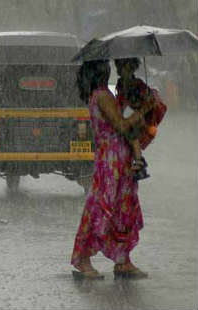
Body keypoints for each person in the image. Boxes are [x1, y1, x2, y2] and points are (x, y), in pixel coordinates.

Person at [71, 60, 155, 279]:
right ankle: (82, 257)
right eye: (106, 66)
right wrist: (144, 110)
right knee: (102, 206)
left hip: (119, 160)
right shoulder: (102, 96)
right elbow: (122, 125)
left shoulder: (102, 94)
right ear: (101, 71)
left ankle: (122, 260)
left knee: (123, 209)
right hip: (111, 161)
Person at [114, 58, 167, 181]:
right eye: (119, 67)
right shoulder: (120, 84)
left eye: (124, 67)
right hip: (126, 117)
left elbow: (147, 101)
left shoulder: (137, 84)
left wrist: (138, 110)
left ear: (131, 68)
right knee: (130, 140)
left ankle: (139, 162)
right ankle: (136, 162)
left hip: (136, 119)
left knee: (133, 138)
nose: (120, 70)